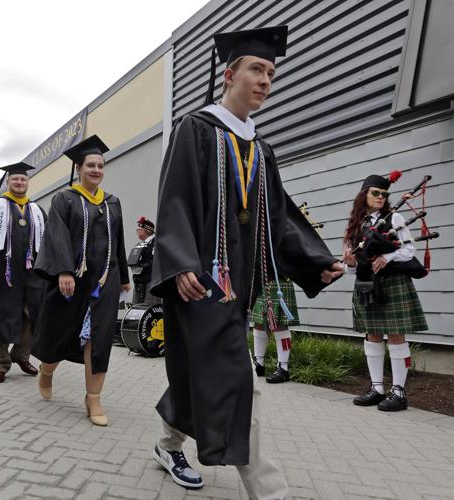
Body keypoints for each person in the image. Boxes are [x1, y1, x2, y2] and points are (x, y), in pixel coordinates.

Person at [149, 27, 344, 496]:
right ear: (229, 73)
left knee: (202, 371)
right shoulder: (195, 130)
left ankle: (168, 443)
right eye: (257, 69)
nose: (265, 81)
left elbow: (278, 218)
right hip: (199, 284)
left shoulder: (260, 148)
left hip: (240, 288)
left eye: (272, 73)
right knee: (238, 380)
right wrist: (179, 266)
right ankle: (269, 490)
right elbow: (173, 202)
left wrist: (314, 261)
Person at [33, 135, 130, 426]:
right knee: (60, 335)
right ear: (78, 168)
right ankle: (47, 371)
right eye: (91, 165)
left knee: (99, 340)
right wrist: (63, 270)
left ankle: (93, 399)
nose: (96, 170)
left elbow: (119, 242)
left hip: (104, 280)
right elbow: (56, 235)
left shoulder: (112, 202)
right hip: (73, 279)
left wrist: (123, 277)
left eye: (100, 165)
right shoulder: (65, 199)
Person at [342, 173, 427, 412]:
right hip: (367, 284)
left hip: (393, 283)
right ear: (364, 195)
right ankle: (377, 388)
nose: (381, 197)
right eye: (375, 193)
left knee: (396, 335)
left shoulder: (395, 217)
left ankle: (399, 392)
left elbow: (409, 250)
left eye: (384, 194)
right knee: (373, 335)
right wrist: (350, 263)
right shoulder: (355, 226)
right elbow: (351, 270)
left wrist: (386, 257)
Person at [0, 167, 48, 375]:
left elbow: (49, 239)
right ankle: (1, 363)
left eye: (23, 179)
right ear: (8, 182)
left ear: (28, 182)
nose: (19, 182)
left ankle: (21, 355)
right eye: (15, 179)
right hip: (4, 272)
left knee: (34, 315)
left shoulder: (37, 210)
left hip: (32, 273)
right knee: (3, 316)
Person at [250, 277, 300, 383]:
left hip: (279, 276)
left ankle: (283, 368)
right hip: (262, 277)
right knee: (259, 319)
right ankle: (259, 364)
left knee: (280, 322)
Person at [128, 217, 160, 305]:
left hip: (151, 281)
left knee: (149, 311)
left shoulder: (156, 243)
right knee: (136, 311)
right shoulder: (138, 245)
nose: (137, 230)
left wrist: (143, 266)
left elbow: (155, 263)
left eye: (139, 228)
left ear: (146, 230)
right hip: (139, 282)